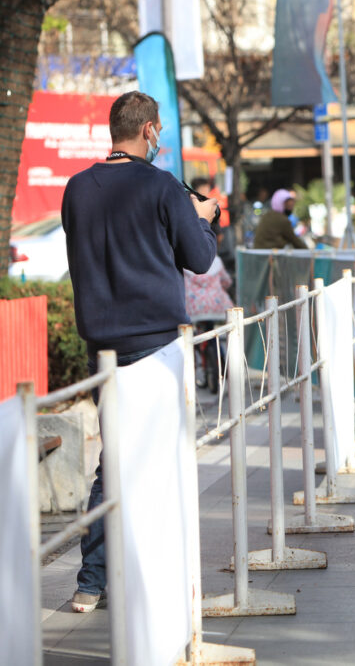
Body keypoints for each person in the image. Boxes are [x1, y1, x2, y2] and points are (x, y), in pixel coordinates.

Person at [61, 90, 218, 613]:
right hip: (155, 345)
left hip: (101, 347)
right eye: (160, 131)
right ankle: (157, 577)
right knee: (163, 459)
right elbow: (198, 258)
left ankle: (91, 581)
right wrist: (203, 217)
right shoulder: (161, 185)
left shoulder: (77, 188)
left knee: (116, 463)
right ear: (150, 130)